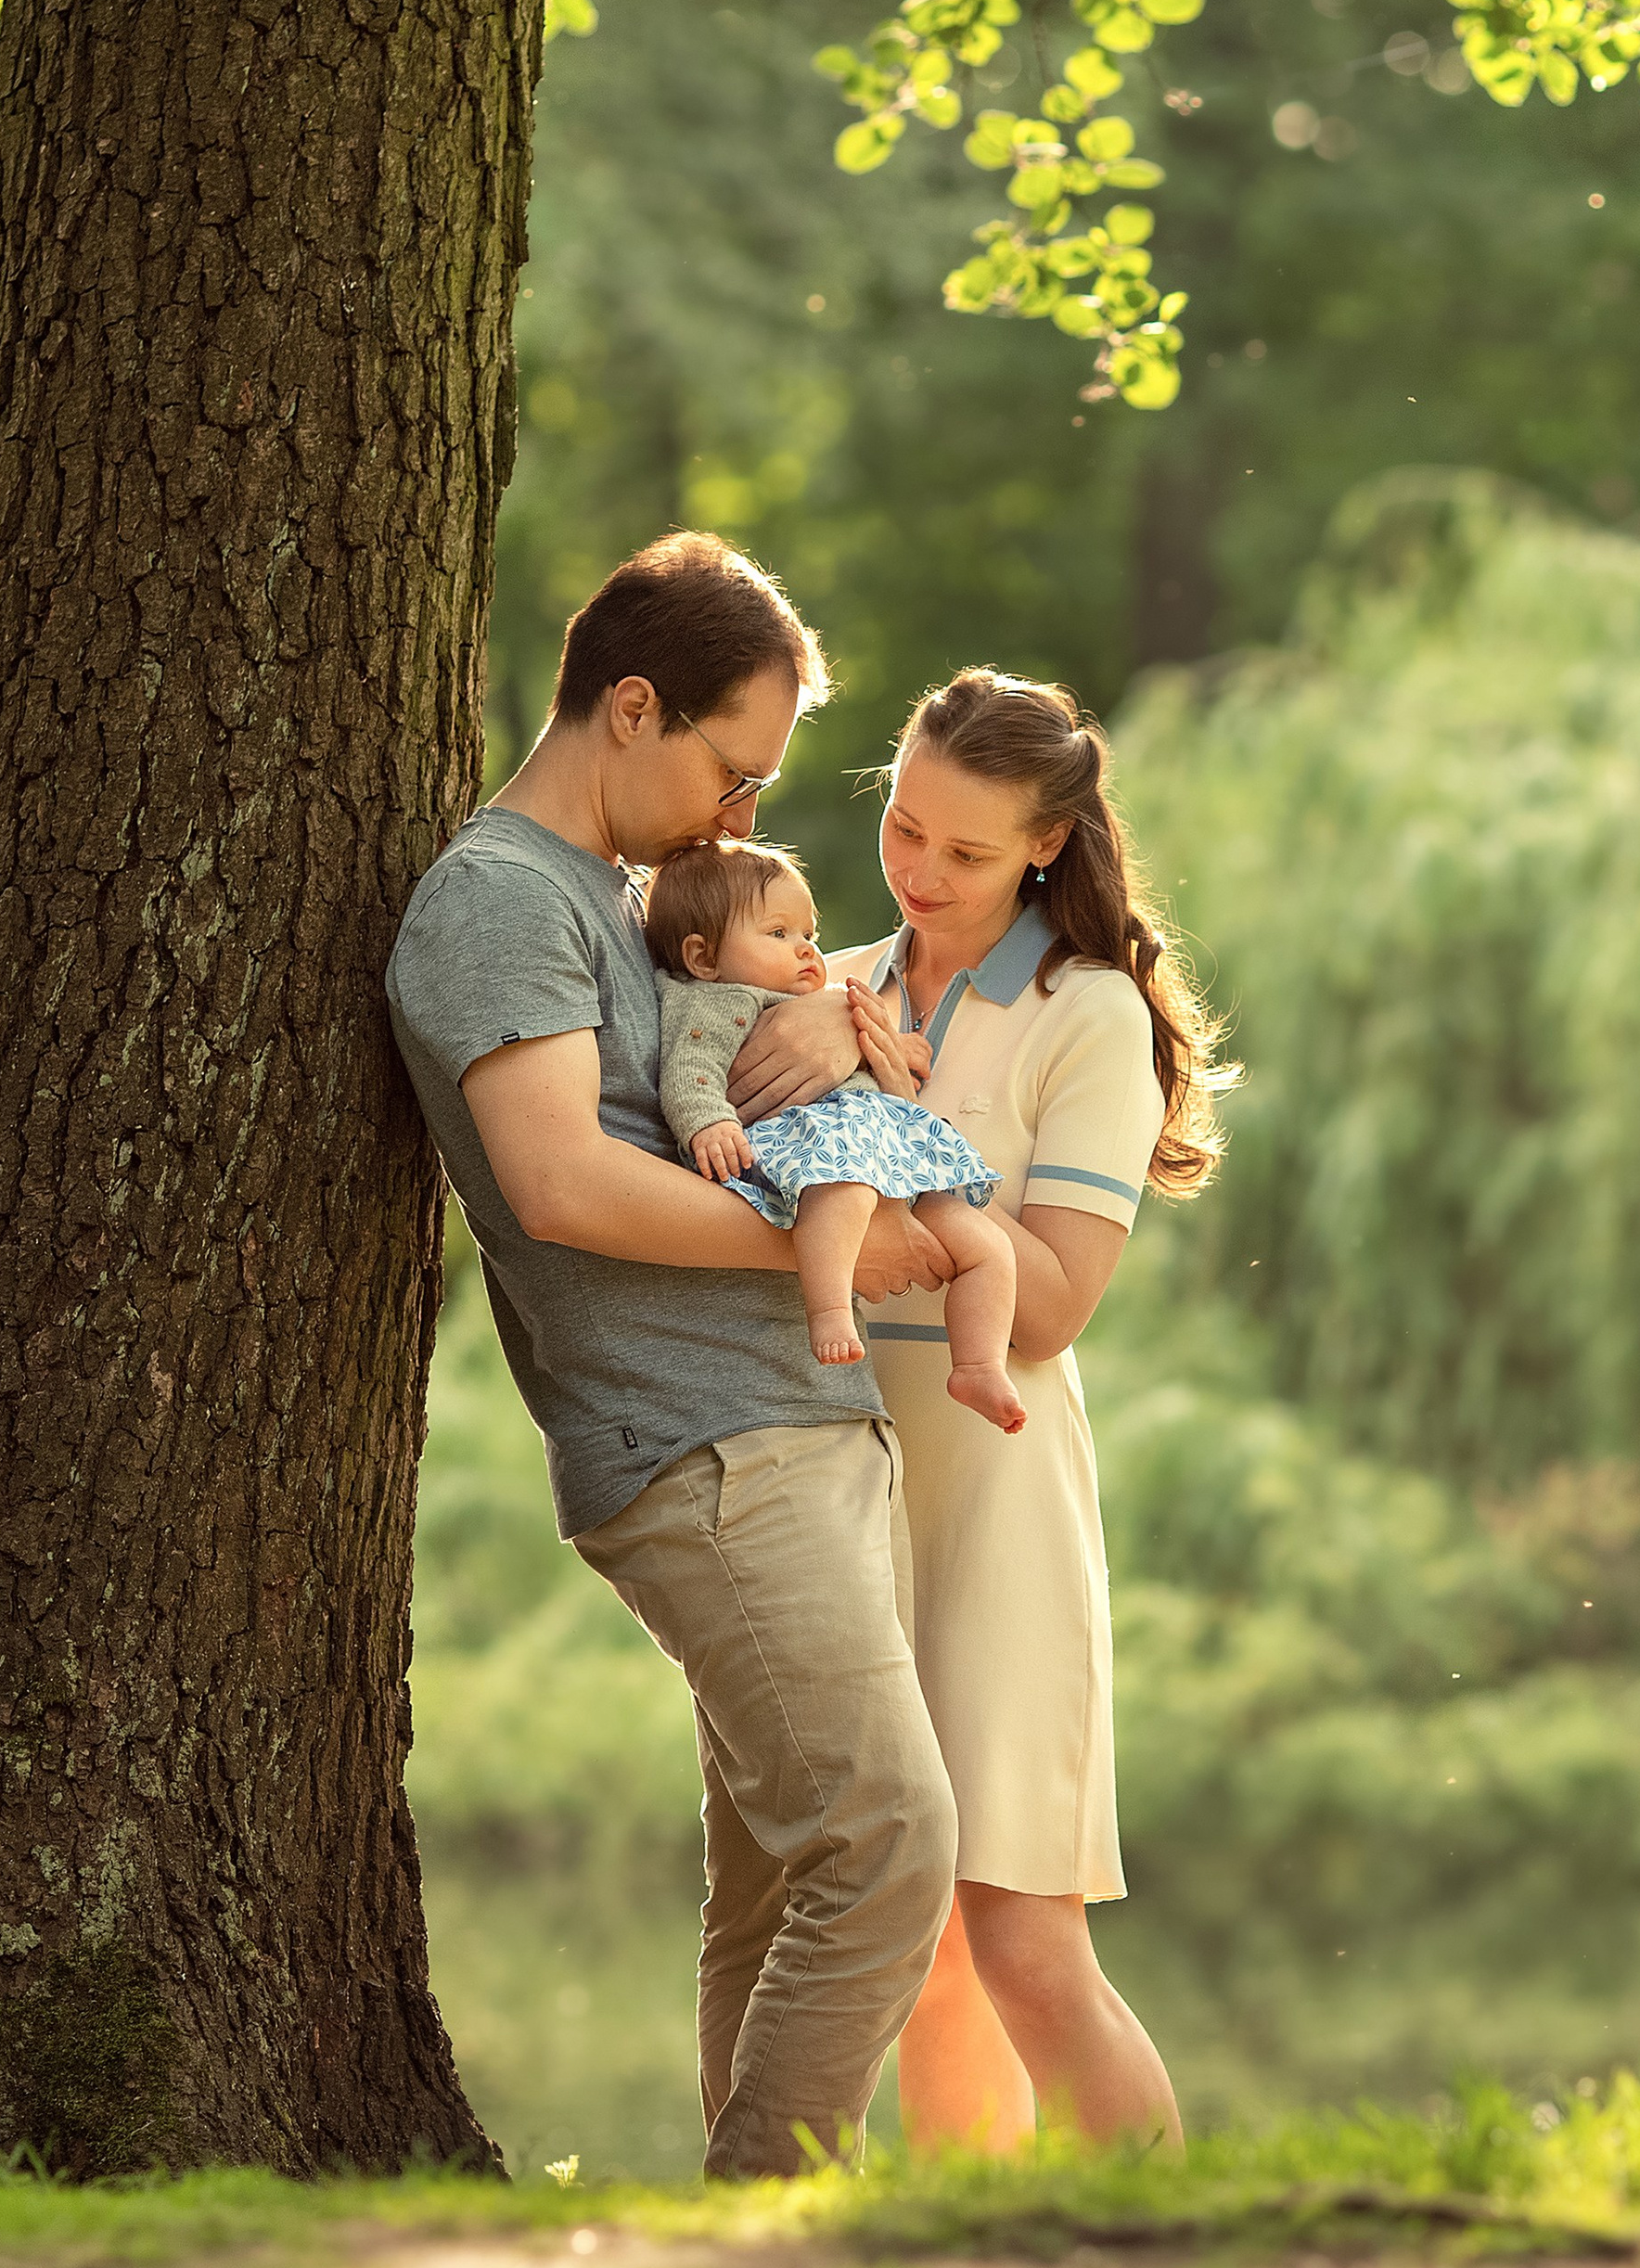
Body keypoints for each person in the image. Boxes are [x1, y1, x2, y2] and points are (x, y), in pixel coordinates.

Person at [384, 532, 958, 2180]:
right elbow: (561, 1183)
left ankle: (738, 2258)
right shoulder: (499, 901)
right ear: (629, 709)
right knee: (890, 1842)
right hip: (703, 1453)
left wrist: (835, 1025)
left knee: (782, 1880)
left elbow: (726, 1068)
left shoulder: (633, 908)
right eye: (731, 767)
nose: (744, 816)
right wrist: (839, 1244)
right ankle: (780, 2211)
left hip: (795, 1426)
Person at [817, 668, 1230, 2155]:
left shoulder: (1090, 1016)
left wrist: (864, 1230)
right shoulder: (838, 984)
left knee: (1022, 1940)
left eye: (967, 853)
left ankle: (1174, 2247)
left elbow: (1049, 1305)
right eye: (904, 828)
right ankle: (967, 2248)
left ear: (1048, 845)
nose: (920, 874)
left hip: (993, 1478)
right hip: (843, 1473)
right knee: (909, 1938)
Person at [643, 835, 1025, 1432]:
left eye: (808, 934)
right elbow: (690, 1071)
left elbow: (862, 1049)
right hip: (815, 1152)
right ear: (702, 957)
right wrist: (708, 1121)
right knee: (842, 1193)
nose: (805, 950)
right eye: (778, 935)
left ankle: (977, 1362)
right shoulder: (715, 1003)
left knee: (988, 1247)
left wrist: (894, 1048)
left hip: (886, 1159)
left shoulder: (824, 1000)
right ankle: (828, 1311)